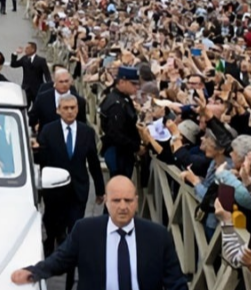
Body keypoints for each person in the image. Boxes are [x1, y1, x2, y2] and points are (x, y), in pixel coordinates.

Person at [10, 176, 186, 290]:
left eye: (128, 200)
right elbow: (60, 260)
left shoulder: (158, 236)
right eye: (117, 200)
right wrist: (34, 272)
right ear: (106, 202)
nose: (123, 206)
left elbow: (176, 283)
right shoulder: (85, 231)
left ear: (137, 202)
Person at [36, 94, 104, 290]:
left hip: (78, 190)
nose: (70, 111)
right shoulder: (48, 131)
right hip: (54, 190)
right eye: (65, 108)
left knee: (74, 232)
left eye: (73, 108)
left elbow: (93, 162)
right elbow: (41, 161)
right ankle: (47, 267)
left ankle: (71, 278)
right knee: (53, 229)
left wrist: (100, 189)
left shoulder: (86, 132)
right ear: (58, 110)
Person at [100, 67, 141, 179]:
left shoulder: (122, 98)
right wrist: (136, 147)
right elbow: (116, 134)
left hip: (122, 152)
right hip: (119, 154)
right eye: (133, 84)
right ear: (122, 82)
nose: (136, 87)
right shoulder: (117, 104)